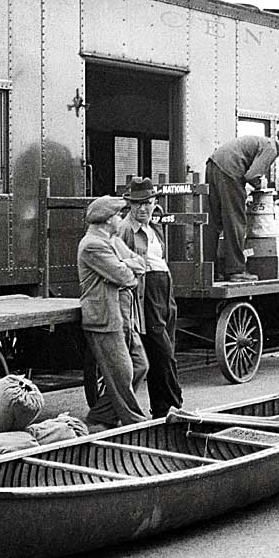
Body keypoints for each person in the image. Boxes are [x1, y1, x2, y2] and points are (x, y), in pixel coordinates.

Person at [77, 195, 150, 427]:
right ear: (108, 220)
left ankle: (102, 416)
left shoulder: (112, 240)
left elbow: (141, 262)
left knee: (140, 365)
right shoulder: (93, 245)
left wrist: (127, 265)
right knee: (123, 374)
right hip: (104, 318)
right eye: (118, 215)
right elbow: (126, 276)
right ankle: (135, 423)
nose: (121, 218)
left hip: (123, 315)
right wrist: (128, 267)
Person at [117, 177, 183, 418]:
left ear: (154, 202)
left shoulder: (154, 227)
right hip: (147, 292)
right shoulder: (125, 229)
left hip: (165, 287)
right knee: (162, 350)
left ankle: (163, 408)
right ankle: (172, 405)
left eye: (147, 203)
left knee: (167, 348)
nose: (143, 208)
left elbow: (160, 259)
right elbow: (119, 261)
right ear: (130, 206)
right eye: (137, 204)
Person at [205, 129, 279, 281]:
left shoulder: (262, 142)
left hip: (213, 164)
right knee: (236, 221)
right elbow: (252, 175)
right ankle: (236, 271)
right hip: (230, 170)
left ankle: (209, 270)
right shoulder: (271, 148)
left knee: (214, 222)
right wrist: (259, 184)